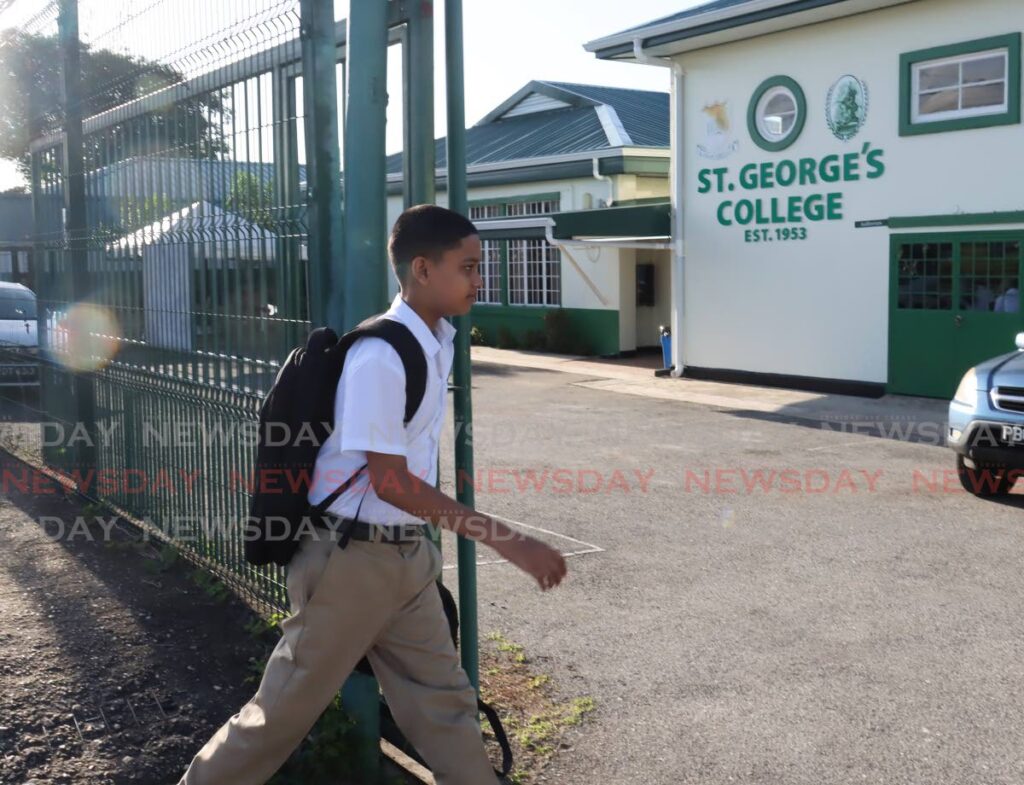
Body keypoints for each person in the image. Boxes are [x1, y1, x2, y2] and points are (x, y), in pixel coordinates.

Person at [176, 204, 568, 785]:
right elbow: (390, 480)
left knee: (446, 708)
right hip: (349, 564)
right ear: (423, 269)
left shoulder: (434, 342)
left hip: (404, 561)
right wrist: (507, 540)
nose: (479, 280)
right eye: (468, 267)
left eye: (478, 267)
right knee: (278, 719)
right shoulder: (380, 356)